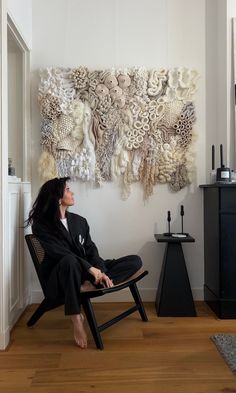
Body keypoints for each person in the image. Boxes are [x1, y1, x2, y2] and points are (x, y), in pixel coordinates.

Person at [26, 177, 143, 349]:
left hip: (87, 275)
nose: (72, 192)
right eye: (67, 189)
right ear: (58, 197)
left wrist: (100, 271)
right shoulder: (42, 225)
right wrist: (89, 268)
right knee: (69, 260)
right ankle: (76, 318)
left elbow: (91, 251)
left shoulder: (80, 221)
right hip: (62, 276)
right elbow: (60, 253)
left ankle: (92, 285)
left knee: (135, 260)